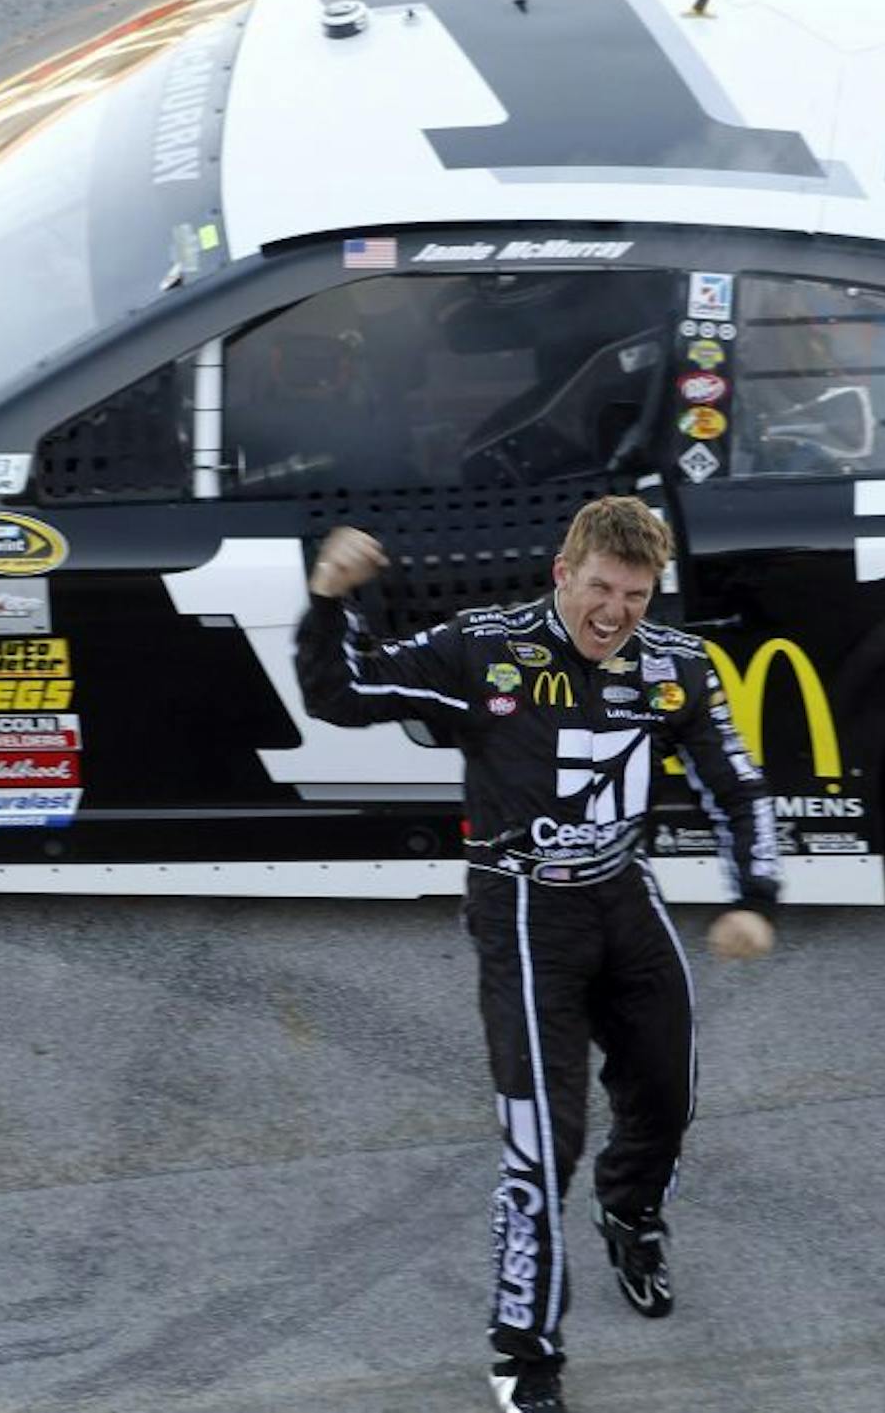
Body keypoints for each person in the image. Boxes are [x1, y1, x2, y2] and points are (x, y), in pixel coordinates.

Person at [294, 496, 778, 1413]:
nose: (614, 612)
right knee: (542, 1142)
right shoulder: (484, 646)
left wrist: (754, 894)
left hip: (624, 895)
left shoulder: (679, 664)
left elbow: (736, 780)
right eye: (601, 587)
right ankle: (526, 1355)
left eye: (636, 595)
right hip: (519, 906)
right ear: (564, 571)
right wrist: (330, 601)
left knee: (668, 1095)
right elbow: (341, 692)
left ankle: (630, 1212)